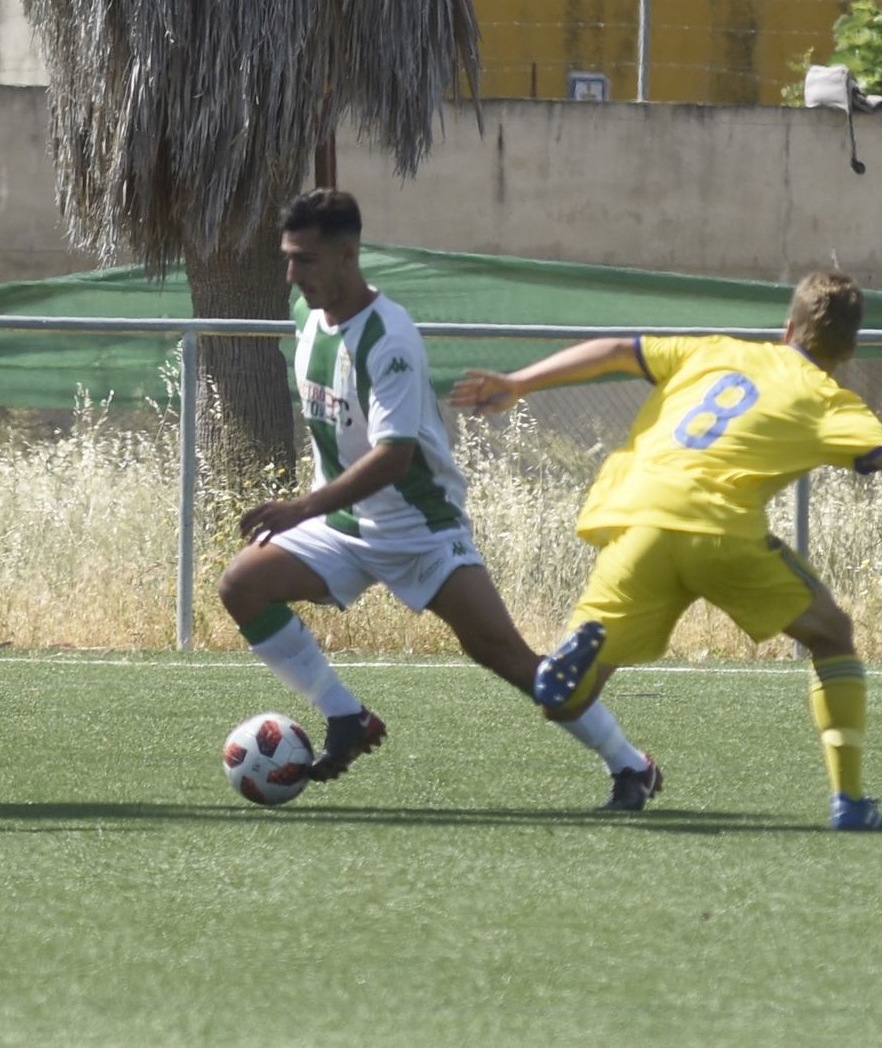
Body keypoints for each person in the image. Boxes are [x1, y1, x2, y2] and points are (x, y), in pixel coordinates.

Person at [451, 270, 882, 831]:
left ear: (787, 329)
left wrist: (520, 382)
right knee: (832, 633)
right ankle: (850, 801)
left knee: (567, 701)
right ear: (849, 350)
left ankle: (569, 665)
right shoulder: (826, 398)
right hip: (719, 531)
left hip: (639, 524)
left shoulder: (715, 350)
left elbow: (613, 349)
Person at [217, 188, 633, 796]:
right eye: (288, 257)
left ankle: (630, 765)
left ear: (346, 256)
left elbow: (394, 457)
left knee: (510, 659)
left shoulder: (390, 338)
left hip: (420, 532)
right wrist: (316, 510)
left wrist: (302, 506)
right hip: (343, 527)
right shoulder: (309, 322)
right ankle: (345, 715)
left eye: (304, 259)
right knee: (242, 586)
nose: (291, 273)